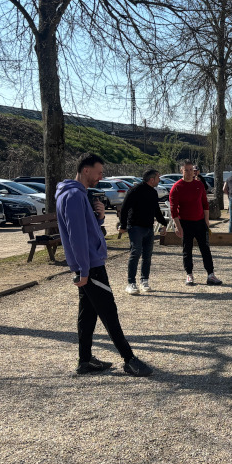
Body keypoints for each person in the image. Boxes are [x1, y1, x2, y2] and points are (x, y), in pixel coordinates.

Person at [55, 152, 153, 377]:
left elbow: (85, 229)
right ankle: (129, 359)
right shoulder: (73, 195)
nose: (101, 177)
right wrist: (83, 269)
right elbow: (76, 237)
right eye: (99, 173)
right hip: (90, 265)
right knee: (109, 312)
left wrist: (98, 217)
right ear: (85, 170)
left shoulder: (76, 194)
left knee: (88, 312)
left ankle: (85, 360)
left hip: (88, 263)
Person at [170, 160, 223, 286]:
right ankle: (189, 274)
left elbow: (205, 204)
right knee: (187, 249)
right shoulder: (177, 187)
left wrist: (206, 221)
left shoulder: (199, 185)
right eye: (186, 170)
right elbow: (173, 210)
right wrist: (178, 226)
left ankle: (210, 275)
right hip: (185, 223)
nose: (189, 173)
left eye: (191, 170)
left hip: (200, 222)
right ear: (181, 171)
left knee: (205, 249)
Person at [118, 169, 168, 294]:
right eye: (158, 177)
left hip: (149, 228)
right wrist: (123, 225)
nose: (159, 180)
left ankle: (144, 281)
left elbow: (156, 210)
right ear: (151, 179)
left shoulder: (153, 192)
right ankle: (131, 283)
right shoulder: (134, 190)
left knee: (147, 255)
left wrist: (164, 223)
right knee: (135, 253)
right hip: (135, 227)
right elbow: (124, 208)